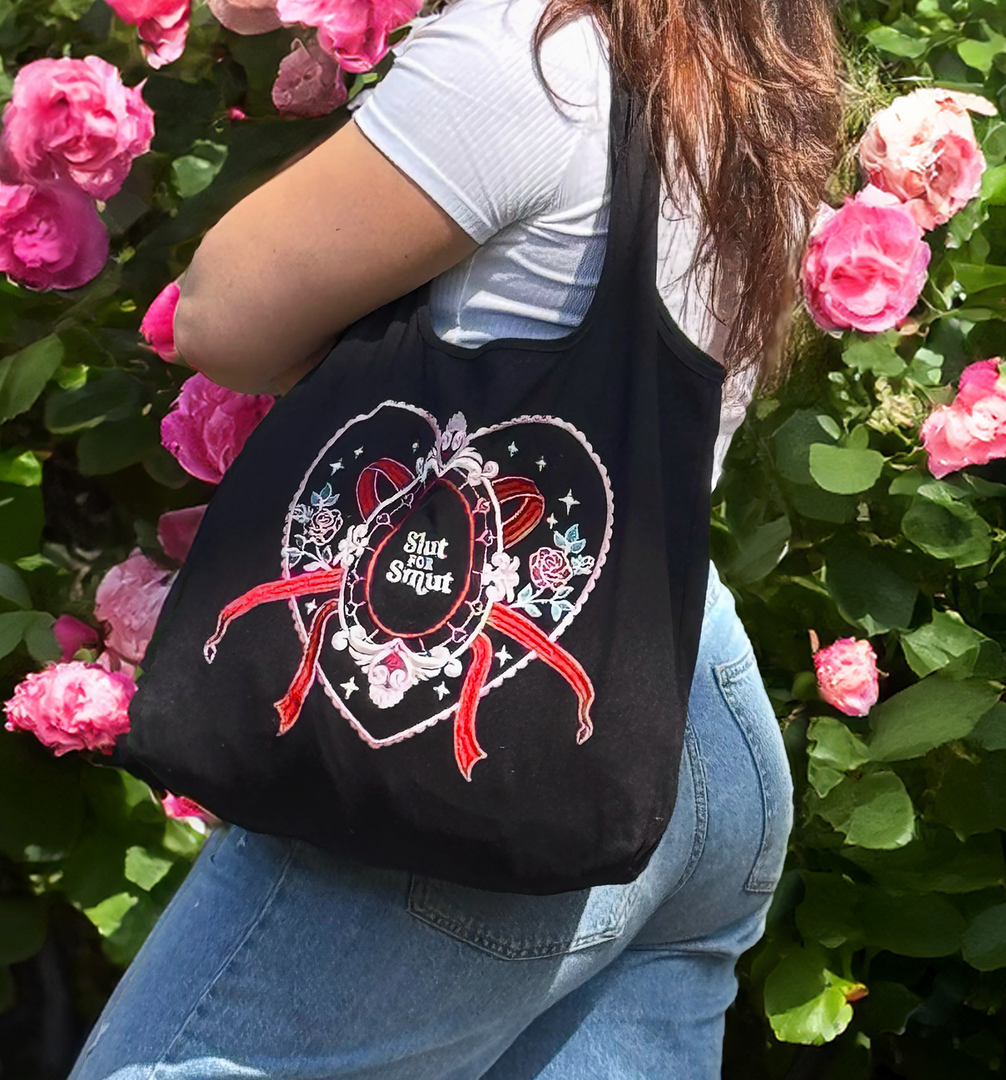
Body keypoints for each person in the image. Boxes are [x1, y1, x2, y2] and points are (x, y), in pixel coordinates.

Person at [68, 0, 843, 1075]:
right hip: (678, 711)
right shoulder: (748, 75)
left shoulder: (530, 56)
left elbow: (218, 317)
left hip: (477, 776)